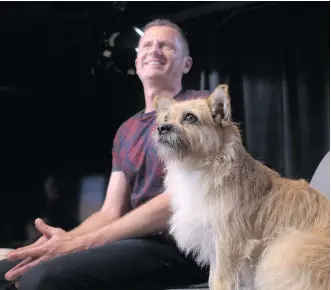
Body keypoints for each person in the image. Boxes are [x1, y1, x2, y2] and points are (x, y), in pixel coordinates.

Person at [0, 19, 210, 290]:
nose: (154, 50)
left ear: (186, 64)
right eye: (146, 45)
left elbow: (180, 197)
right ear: (137, 62)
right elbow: (110, 211)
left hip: (183, 247)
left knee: (40, 280)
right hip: (137, 242)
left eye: (166, 46)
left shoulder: (199, 107)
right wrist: (60, 241)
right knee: (6, 272)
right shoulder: (127, 129)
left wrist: (79, 244)